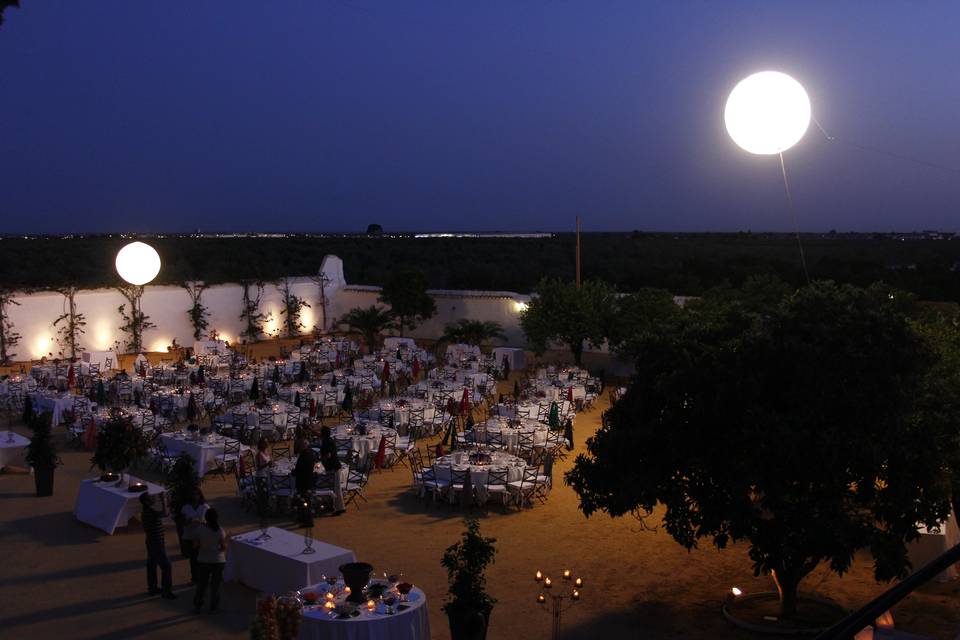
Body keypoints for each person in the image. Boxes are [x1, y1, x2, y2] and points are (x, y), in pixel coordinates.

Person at [140, 492, 176, 599]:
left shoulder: (146, 512)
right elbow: (164, 514)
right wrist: (163, 500)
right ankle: (166, 591)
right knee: (166, 566)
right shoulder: (150, 512)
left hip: (151, 541)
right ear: (146, 501)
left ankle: (153, 588)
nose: (152, 498)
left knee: (152, 564)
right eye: (150, 498)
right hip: (157, 542)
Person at [192, 508, 226, 613]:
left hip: (203, 559)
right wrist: (227, 540)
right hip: (217, 560)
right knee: (215, 586)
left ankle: (198, 605)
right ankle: (214, 607)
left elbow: (195, 545)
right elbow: (223, 548)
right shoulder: (220, 530)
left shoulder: (199, 529)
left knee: (201, 585)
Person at [180, 487, 208, 585]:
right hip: (189, 536)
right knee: (193, 559)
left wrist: (202, 522)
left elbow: (209, 521)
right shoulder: (186, 507)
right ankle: (195, 578)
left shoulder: (205, 507)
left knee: (202, 558)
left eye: (197, 494)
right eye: (193, 494)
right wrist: (189, 521)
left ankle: (204, 578)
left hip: (201, 536)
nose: (195, 496)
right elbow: (182, 522)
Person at [318, 426, 346, 515]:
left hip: (333, 467)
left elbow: (328, 455)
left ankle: (339, 508)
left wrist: (321, 460)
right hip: (334, 466)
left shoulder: (326, 442)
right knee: (334, 488)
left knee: (335, 488)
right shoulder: (329, 440)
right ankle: (335, 506)